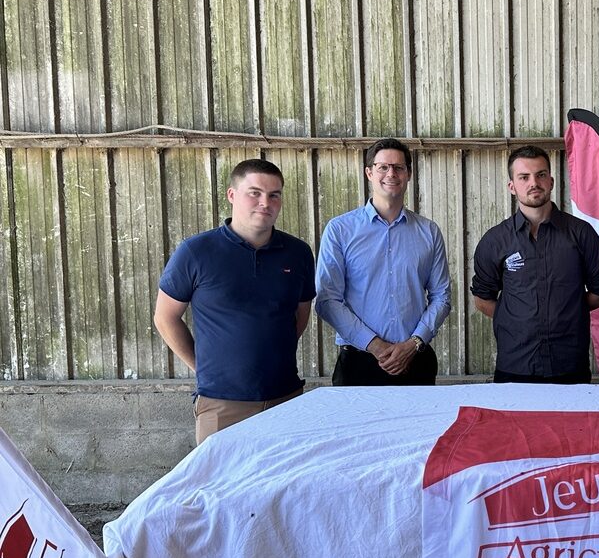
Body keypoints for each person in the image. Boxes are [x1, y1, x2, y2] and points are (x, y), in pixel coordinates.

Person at [154, 159, 315, 444]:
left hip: (286, 399)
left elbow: (299, 316)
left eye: (274, 195)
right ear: (232, 195)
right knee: (219, 487)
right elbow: (165, 317)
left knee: (283, 486)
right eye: (254, 192)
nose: (265, 202)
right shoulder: (196, 252)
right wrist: (202, 367)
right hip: (221, 404)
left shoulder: (298, 253)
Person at [315, 138, 451, 386]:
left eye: (399, 168)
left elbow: (442, 296)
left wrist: (414, 343)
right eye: (383, 167)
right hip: (359, 363)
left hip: (415, 361)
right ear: (369, 172)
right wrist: (375, 345)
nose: (392, 174)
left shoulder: (429, 232)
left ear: (408, 174)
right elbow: (327, 300)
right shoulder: (340, 230)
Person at [470, 146, 599, 383]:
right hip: (515, 363)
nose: (534, 182)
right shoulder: (494, 241)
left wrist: (568, 310)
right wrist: (519, 320)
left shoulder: (581, 234)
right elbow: (483, 299)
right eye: (524, 177)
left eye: (541, 174)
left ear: (551, 181)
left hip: (569, 363)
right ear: (512, 186)